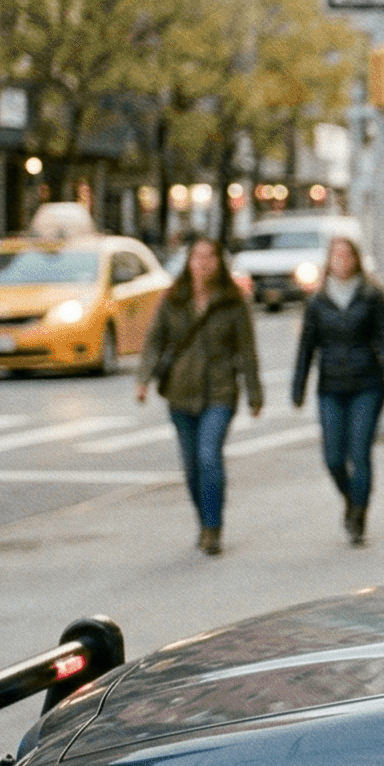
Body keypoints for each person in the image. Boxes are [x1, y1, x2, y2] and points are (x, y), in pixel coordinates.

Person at [136, 237, 262, 557]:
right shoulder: (173, 299)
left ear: (219, 263)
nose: (203, 263)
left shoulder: (233, 301)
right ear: (188, 262)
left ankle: (213, 527)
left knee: (209, 457)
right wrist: (143, 379)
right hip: (180, 393)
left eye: (209, 257)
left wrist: (254, 393)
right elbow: (154, 341)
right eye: (197, 257)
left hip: (220, 392)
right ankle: (203, 520)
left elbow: (247, 351)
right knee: (192, 467)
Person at [289, 236, 384, 546]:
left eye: (347, 255)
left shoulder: (371, 295)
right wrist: (298, 387)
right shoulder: (317, 301)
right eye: (336, 255)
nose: (341, 261)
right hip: (331, 386)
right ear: (329, 261)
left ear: (356, 259)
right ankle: (351, 498)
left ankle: (359, 514)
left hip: (367, 384)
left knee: (360, 453)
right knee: (333, 457)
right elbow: (306, 347)